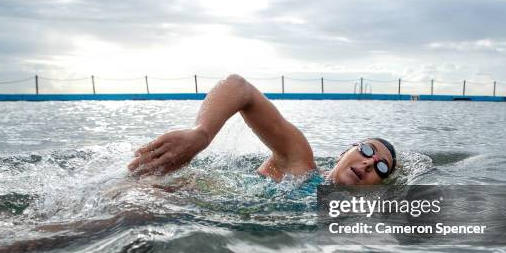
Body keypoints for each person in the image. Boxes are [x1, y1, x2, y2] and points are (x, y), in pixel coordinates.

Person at [128, 74, 396, 185]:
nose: (370, 162)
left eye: (382, 167)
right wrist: (201, 134)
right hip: (176, 191)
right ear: (344, 153)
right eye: (367, 150)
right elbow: (239, 87)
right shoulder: (299, 161)